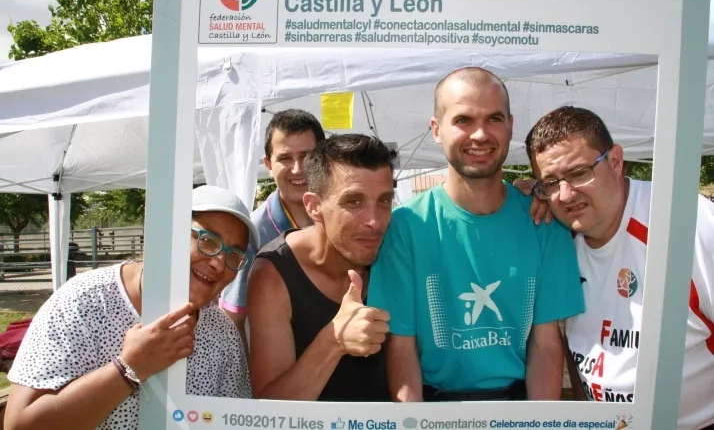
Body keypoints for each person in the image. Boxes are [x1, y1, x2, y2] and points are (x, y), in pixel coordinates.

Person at [367, 67, 585, 402]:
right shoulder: (405, 226)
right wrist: (412, 422)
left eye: (494, 119)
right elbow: (402, 348)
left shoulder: (543, 221)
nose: (480, 134)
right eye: (463, 120)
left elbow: (545, 343)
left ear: (510, 126)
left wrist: (537, 422)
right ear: (436, 130)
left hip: (518, 406)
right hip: (433, 408)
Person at [520, 106, 714, 429]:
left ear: (615, 161)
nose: (565, 194)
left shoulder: (688, 224)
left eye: (579, 172)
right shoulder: (556, 238)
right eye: (550, 183)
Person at [4, 185, 258, 430]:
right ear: (170, 232)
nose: (219, 263)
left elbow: (233, 421)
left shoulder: (222, 333)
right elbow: (20, 424)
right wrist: (129, 368)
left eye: (234, 255)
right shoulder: (84, 301)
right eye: (208, 240)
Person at [246, 133, 394, 401]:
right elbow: (270, 408)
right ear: (314, 206)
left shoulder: (397, 251)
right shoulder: (273, 274)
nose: (374, 221)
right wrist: (334, 340)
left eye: (384, 201)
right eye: (354, 202)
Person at [220, 109, 326, 331]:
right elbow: (233, 317)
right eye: (285, 158)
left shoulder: (340, 219)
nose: (298, 169)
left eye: (306, 156)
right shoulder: (252, 233)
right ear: (268, 165)